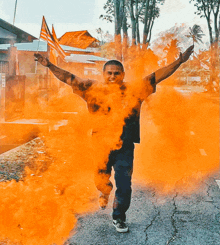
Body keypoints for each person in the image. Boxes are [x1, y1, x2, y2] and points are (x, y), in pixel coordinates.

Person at [34, 45, 193, 233]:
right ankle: (104, 190)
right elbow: (69, 78)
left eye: (116, 73)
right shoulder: (92, 88)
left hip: (124, 147)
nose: (112, 76)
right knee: (101, 181)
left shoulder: (135, 90)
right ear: (103, 74)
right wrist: (50, 65)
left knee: (124, 186)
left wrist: (179, 62)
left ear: (123, 74)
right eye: (109, 73)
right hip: (99, 146)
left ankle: (119, 217)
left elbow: (157, 75)